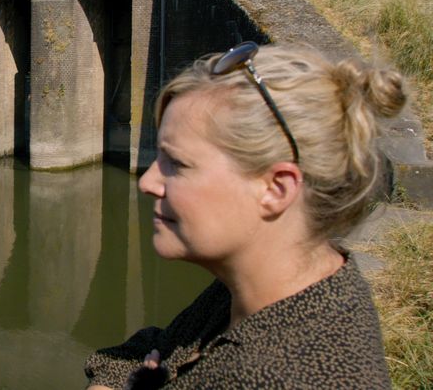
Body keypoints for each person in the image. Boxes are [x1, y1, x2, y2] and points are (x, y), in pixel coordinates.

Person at [84, 42, 405, 389]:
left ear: (276, 189)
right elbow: (148, 350)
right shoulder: (259, 288)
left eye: (176, 164)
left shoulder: (278, 375)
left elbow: (152, 361)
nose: (147, 182)